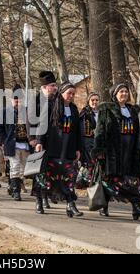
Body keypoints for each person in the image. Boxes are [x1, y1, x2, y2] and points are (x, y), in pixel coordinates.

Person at [92, 84, 140, 220]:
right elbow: (100, 131)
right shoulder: (107, 110)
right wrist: (99, 150)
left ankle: (136, 208)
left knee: (132, 179)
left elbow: (139, 133)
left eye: (126, 91)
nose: (124, 94)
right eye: (121, 91)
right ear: (115, 94)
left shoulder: (132, 110)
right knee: (112, 178)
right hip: (114, 151)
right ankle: (104, 205)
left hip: (131, 150)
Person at [35, 82, 83, 217]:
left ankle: (70, 204)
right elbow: (42, 124)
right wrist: (39, 142)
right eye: (69, 93)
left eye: (73, 94)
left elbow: (77, 131)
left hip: (68, 146)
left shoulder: (73, 109)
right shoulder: (51, 106)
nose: (71, 96)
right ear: (62, 93)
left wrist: (78, 148)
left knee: (69, 176)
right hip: (52, 145)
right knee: (46, 175)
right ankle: (39, 200)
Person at [30, 71, 59, 209]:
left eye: (55, 85)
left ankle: (47, 195)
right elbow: (29, 121)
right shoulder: (35, 100)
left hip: (53, 141)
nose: (55, 87)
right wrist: (32, 139)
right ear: (45, 87)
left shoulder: (57, 100)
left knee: (50, 171)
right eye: (52, 85)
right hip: (38, 142)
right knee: (38, 171)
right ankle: (39, 199)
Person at [0, 84, 30, 202]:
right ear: (11, 100)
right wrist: (4, 140)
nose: (17, 101)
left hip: (25, 144)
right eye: (15, 99)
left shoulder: (27, 111)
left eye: (19, 99)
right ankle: (16, 192)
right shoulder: (4, 112)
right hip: (12, 144)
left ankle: (12, 186)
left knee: (23, 170)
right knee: (15, 167)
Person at [77, 93, 100, 189]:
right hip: (88, 142)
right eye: (92, 100)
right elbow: (82, 130)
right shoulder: (85, 113)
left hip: (99, 142)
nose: (94, 102)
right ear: (88, 101)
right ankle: (85, 182)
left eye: (96, 100)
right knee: (89, 163)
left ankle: (95, 183)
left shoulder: (102, 112)